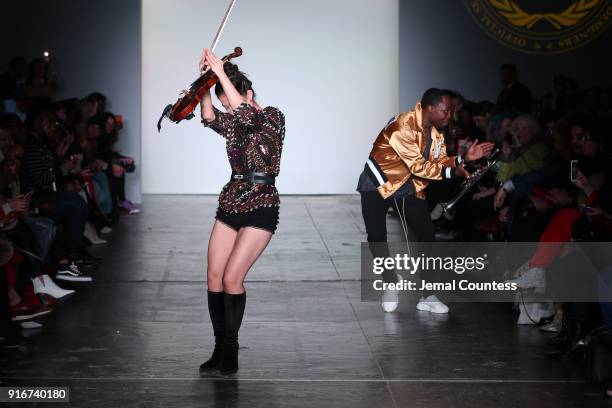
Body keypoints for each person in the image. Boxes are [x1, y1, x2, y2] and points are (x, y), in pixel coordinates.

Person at [357, 88, 494, 313]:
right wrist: (455, 172)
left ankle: (428, 295)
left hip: (408, 187)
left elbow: (440, 162)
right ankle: (390, 281)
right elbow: (418, 167)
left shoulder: (436, 134)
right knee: (376, 236)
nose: (449, 116)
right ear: (430, 108)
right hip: (377, 183)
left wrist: (464, 159)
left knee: (427, 236)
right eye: (446, 111)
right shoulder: (402, 125)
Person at [197, 48, 285, 375]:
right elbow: (208, 117)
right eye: (225, 104)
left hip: (261, 202)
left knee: (233, 277)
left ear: (247, 93)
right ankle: (219, 346)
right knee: (213, 277)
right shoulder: (233, 122)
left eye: (229, 101)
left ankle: (232, 348)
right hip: (231, 200)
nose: (228, 109)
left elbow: (248, 115)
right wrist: (204, 88)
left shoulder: (273, 116)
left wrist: (220, 72)